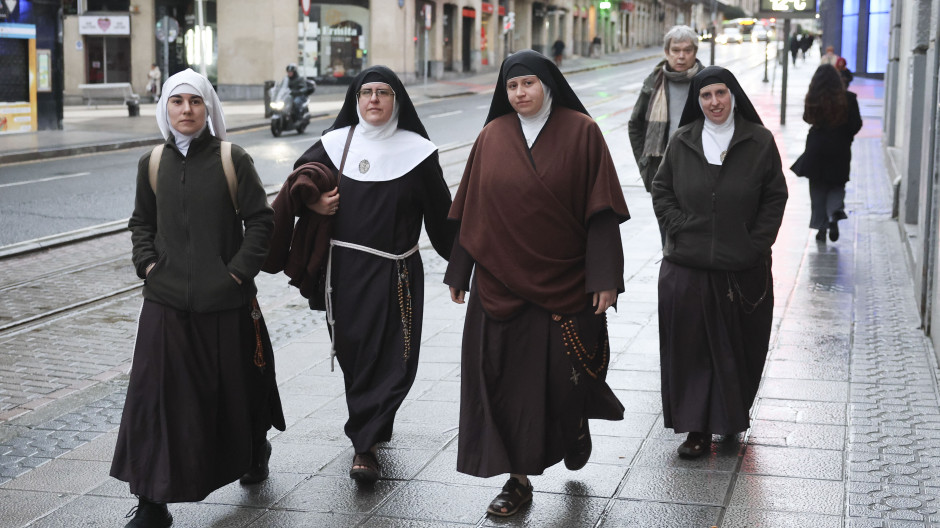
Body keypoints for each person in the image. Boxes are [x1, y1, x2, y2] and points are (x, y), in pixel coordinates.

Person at [445, 50, 630, 518]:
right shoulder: (492, 136)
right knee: (503, 382)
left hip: (564, 282)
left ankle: (574, 422)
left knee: (560, 383)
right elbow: (473, 211)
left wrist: (605, 276)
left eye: (528, 83)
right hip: (498, 284)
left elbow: (602, 212)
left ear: (548, 84)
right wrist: (458, 269)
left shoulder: (582, 132)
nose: (521, 93)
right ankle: (517, 480)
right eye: (512, 86)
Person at [111, 69, 283, 527]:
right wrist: (147, 265)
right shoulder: (151, 162)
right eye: (177, 102)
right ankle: (151, 502)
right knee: (153, 400)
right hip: (164, 302)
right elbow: (140, 224)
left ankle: (253, 448)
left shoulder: (233, 158)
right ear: (165, 109)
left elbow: (261, 221)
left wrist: (234, 275)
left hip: (224, 303)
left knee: (234, 392)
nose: (186, 110)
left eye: (195, 102)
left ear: (209, 108)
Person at [288, 65, 455, 483]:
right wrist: (312, 204)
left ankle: (367, 438)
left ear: (397, 100)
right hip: (345, 271)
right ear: (355, 100)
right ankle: (366, 438)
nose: (374, 100)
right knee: (357, 353)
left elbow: (441, 215)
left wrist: (462, 266)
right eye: (366, 93)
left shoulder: (418, 151)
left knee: (398, 360)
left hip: (398, 272)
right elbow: (299, 182)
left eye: (383, 92)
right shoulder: (333, 145)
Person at [651, 66, 788, 459]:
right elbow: (662, 190)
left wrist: (754, 243)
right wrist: (680, 226)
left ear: (733, 95)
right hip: (687, 267)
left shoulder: (758, 141)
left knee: (738, 350)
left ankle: (730, 420)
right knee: (691, 352)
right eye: (706, 95)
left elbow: (775, 197)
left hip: (741, 268)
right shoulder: (683, 141)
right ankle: (696, 429)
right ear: (698, 101)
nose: (714, 102)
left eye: (721, 93)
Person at [629, 25, 705, 195]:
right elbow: (635, 124)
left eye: (687, 50)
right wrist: (644, 164)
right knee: (667, 221)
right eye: (675, 50)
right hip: (662, 170)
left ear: (695, 51)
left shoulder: (707, 81)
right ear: (666, 51)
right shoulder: (654, 81)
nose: (681, 56)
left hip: (700, 170)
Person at [792, 65, 862, 243]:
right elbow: (856, 124)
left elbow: (807, 118)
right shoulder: (849, 98)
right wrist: (845, 133)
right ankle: (833, 214)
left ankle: (821, 227)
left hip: (817, 147)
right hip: (840, 147)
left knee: (817, 188)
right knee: (837, 185)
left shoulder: (813, 97)